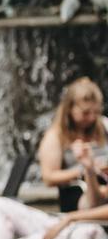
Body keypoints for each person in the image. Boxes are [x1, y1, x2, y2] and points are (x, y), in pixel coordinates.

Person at [38, 76, 108, 213]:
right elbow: (48, 177)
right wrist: (86, 169)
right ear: (70, 108)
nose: (92, 118)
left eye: (96, 112)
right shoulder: (55, 136)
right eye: (86, 113)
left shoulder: (104, 125)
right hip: (78, 195)